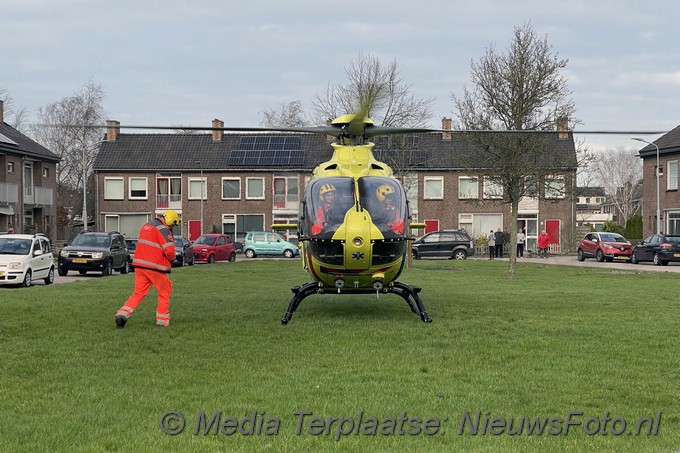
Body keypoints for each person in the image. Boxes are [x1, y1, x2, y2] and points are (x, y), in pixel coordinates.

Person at [115, 210, 179, 329]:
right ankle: (162, 322)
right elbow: (169, 250)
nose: (172, 228)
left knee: (138, 293)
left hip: (140, 266)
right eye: (173, 225)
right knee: (164, 292)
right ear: (171, 222)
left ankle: (122, 315)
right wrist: (172, 259)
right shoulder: (163, 229)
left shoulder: (147, 226)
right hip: (155, 267)